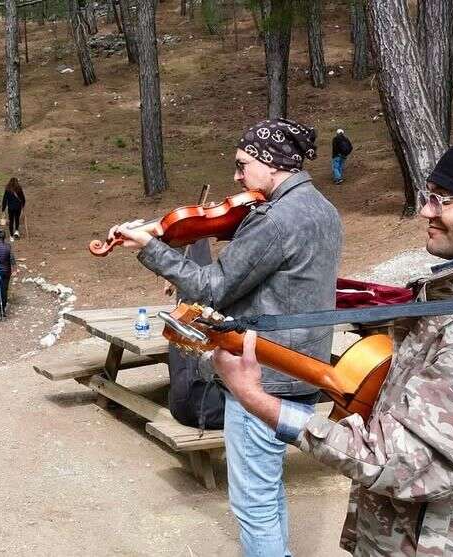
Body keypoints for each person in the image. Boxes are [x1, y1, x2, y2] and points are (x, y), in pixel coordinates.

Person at [212, 134, 453, 555]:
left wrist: (254, 398)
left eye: (444, 199)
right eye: (430, 195)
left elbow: (403, 461)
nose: (426, 209)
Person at [110, 117, 339, 556]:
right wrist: (173, 230)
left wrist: (151, 248)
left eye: (242, 163)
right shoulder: (321, 209)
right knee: (267, 490)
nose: (236, 176)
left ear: (271, 163)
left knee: (253, 501)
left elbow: (214, 287)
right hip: (304, 367)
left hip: (263, 373)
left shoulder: (274, 220)